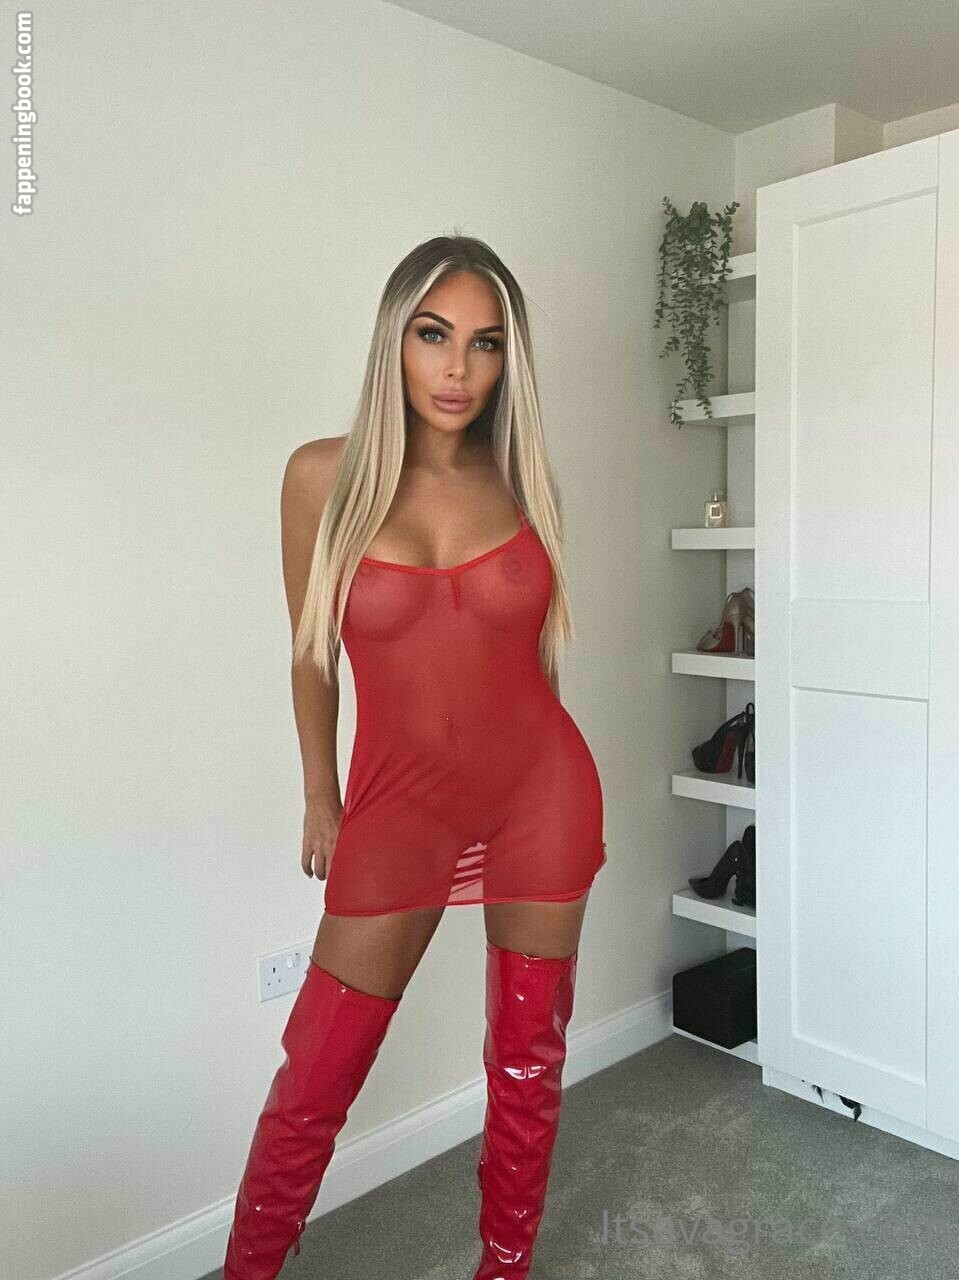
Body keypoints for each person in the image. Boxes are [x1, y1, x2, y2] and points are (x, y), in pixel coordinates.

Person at [223, 234, 608, 1279]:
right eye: (434, 335)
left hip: (541, 795)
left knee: (526, 1062)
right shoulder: (322, 476)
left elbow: (534, 663)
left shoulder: (521, 480)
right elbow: (311, 655)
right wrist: (319, 792)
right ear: (394, 338)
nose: (457, 369)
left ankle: (504, 1268)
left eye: (485, 343)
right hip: (398, 804)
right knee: (314, 1079)